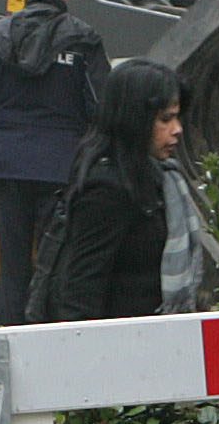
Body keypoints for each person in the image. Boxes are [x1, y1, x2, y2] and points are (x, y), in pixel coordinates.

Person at [0, 0, 112, 323]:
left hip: (6, 168)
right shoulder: (83, 38)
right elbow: (102, 106)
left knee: (13, 269)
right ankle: (52, 339)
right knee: (58, 264)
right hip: (62, 168)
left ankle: (12, 341)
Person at [27, 59, 195, 324]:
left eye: (177, 117)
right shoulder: (106, 189)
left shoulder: (157, 176)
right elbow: (82, 285)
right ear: (134, 118)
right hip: (119, 345)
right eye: (165, 119)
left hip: (151, 337)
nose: (177, 130)